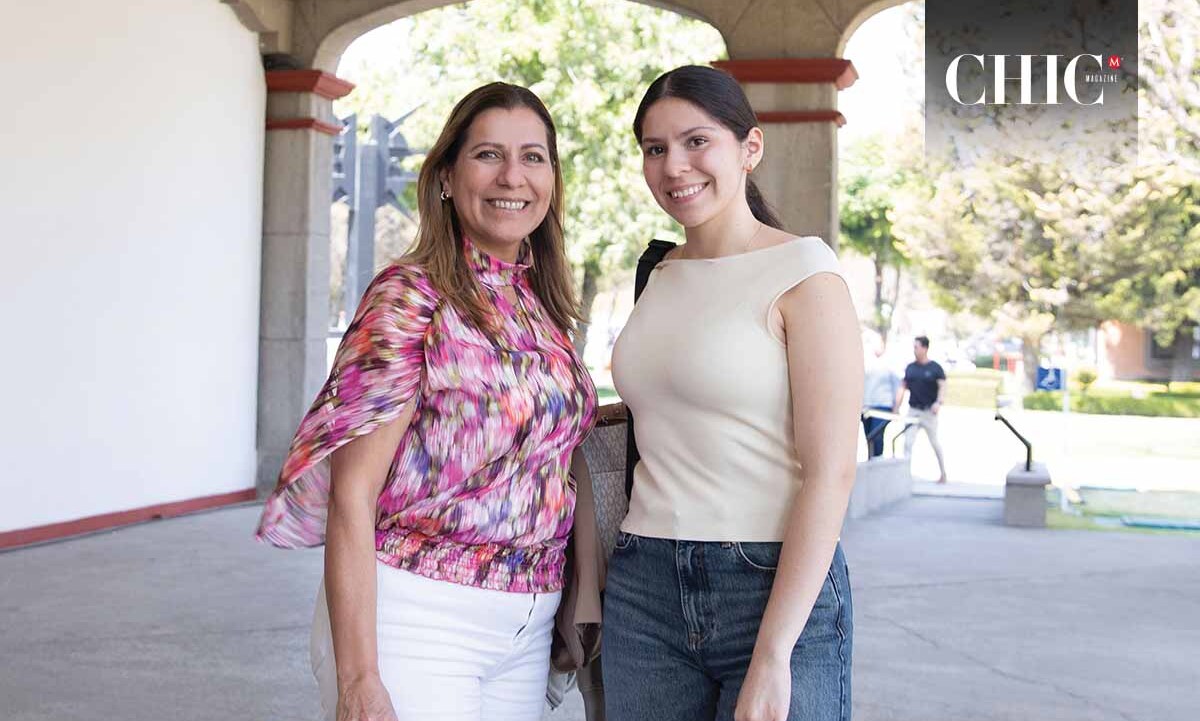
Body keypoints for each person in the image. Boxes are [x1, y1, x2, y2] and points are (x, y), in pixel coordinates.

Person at [255, 82, 598, 721]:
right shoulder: (410, 297)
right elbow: (352, 494)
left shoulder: (541, 304)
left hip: (527, 625)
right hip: (417, 617)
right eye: (488, 154)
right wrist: (360, 678)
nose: (513, 176)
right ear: (445, 176)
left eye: (533, 157)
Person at [604, 65, 862, 721]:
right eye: (655, 148)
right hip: (642, 583)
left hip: (772, 583)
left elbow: (831, 470)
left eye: (697, 141)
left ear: (750, 148)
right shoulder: (657, 273)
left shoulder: (805, 272)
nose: (674, 166)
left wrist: (774, 652)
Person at [894, 335, 948, 483]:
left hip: (929, 412)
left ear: (924, 348)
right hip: (913, 411)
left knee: (935, 443)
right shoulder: (911, 368)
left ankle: (943, 473)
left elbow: (943, 386)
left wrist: (938, 402)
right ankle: (905, 476)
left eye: (916, 347)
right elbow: (903, 387)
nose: (914, 350)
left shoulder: (935, 368)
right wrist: (897, 406)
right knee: (907, 442)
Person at [861, 333, 901, 459]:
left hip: (883, 405)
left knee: (876, 436)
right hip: (867, 405)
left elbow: (898, 385)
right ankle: (871, 460)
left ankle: (877, 459)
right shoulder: (867, 361)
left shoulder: (890, 362)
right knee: (869, 436)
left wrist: (896, 406)